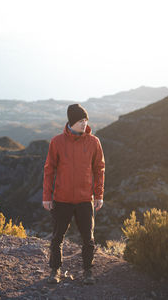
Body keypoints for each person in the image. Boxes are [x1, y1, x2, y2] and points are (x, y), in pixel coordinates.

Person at [43, 104, 105, 285]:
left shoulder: (94, 142)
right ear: (71, 122)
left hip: (85, 199)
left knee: (88, 239)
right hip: (62, 199)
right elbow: (49, 170)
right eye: (80, 121)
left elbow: (99, 169)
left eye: (86, 120)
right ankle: (55, 271)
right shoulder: (57, 142)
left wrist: (99, 195)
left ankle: (88, 272)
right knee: (57, 237)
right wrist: (47, 196)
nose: (84, 124)